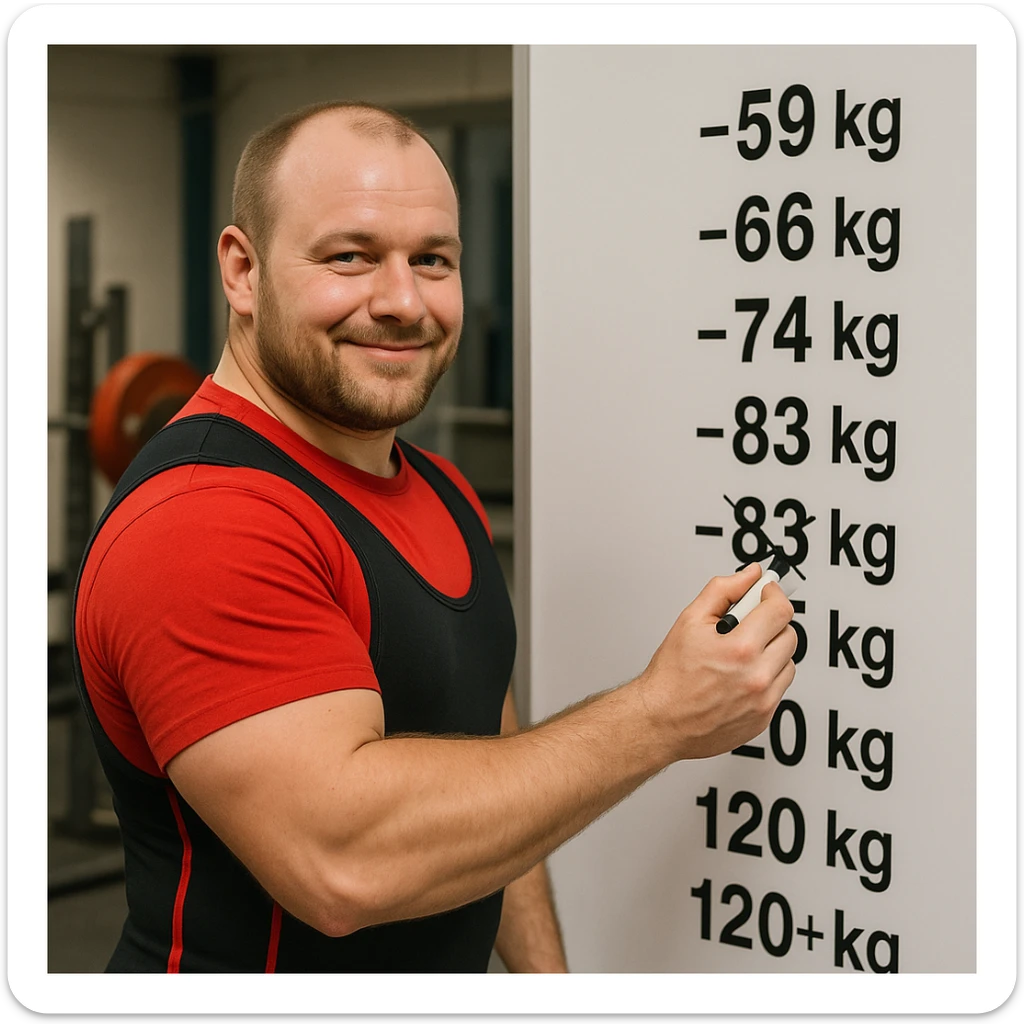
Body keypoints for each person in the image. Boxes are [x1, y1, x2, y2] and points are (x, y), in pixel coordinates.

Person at [72, 100, 797, 974]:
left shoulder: (442, 492)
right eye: (351, 257)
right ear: (241, 270)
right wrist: (661, 716)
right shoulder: (201, 520)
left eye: (433, 260)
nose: (403, 300)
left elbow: (494, 784)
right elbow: (342, 861)